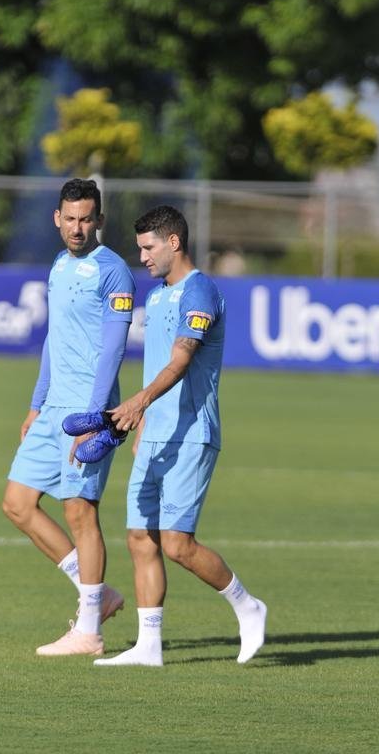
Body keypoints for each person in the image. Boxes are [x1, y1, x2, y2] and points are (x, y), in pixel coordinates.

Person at [93, 205, 266, 667]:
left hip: (192, 434)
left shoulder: (200, 292)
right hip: (155, 435)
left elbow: (181, 360)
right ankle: (148, 647)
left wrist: (137, 403)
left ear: (173, 242)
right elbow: (157, 365)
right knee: (138, 538)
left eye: (148, 248)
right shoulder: (160, 296)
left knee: (176, 543)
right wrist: (145, 422)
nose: (143, 257)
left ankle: (248, 607)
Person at [2, 178, 135, 657]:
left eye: (86, 219)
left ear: (99, 220)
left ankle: (89, 631)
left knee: (80, 511)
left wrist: (97, 417)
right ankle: (100, 596)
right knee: (18, 503)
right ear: (57, 219)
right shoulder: (58, 265)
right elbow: (52, 341)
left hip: (88, 410)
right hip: (52, 408)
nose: (77, 228)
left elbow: (114, 349)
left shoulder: (114, 271)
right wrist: (36, 404)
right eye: (70, 219)